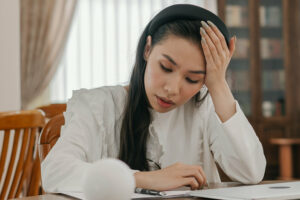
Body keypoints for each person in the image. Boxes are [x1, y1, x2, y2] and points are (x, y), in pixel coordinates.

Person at [41, 4, 266, 193]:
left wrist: (218, 85)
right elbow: (54, 172)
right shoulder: (98, 106)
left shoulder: (203, 106)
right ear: (147, 49)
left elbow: (251, 172)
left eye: (192, 79)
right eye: (166, 67)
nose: (172, 89)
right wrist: (143, 179)